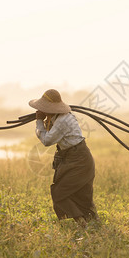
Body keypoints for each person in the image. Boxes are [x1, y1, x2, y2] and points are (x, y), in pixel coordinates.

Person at [29, 89, 98, 226]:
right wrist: (43, 119)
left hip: (79, 159)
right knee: (79, 194)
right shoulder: (56, 118)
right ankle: (91, 226)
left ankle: (83, 223)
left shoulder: (62, 121)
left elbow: (47, 140)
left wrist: (38, 122)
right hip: (74, 157)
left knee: (60, 193)